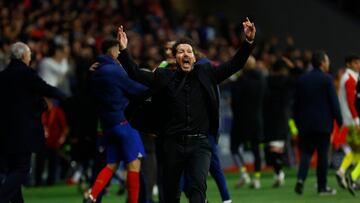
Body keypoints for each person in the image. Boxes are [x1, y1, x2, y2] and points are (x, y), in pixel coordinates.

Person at [117, 16, 256, 202]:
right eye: (181, 51)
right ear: (175, 57)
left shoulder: (206, 73)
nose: (185, 54)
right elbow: (134, 73)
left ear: (194, 57)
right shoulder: (164, 76)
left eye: (189, 51)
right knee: (171, 194)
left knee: (197, 189)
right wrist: (123, 49)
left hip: (200, 144)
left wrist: (248, 41)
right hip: (172, 144)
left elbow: (235, 64)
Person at [83, 39, 148, 203]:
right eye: (120, 52)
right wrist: (155, 87)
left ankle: (92, 195)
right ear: (113, 52)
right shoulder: (114, 70)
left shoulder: (95, 71)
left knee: (111, 164)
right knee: (134, 165)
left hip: (107, 125)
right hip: (124, 123)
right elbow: (135, 89)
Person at [0, 42, 66, 203]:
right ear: (23, 56)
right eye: (29, 54)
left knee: (13, 170)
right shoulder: (26, 73)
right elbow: (45, 89)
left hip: (4, 132)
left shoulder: (2, 76)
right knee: (22, 170)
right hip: (23, 131)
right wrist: (66, 98)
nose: (30, 58)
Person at [293, 51, 343, 195]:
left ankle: (300, 179)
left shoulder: (302, 79)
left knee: (306, 153)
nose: (328, 63)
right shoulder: (327, 79)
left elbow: (296, 105)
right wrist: (340, 122)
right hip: (323, 125)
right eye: (327, 61)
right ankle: (322, 187)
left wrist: (298, 123)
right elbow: (334, 103)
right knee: (322, 156)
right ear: (322, 62)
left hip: (305, 125)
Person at [230, 55, 266, 189]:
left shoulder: (241, 79)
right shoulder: (262, 78)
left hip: (241, 120)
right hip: (257, 119)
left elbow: (235, 100)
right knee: (257, 150)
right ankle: (257, 179)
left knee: (234, 147)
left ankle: (244, 173)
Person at [336, 54, 360, 192]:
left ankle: (341, 170)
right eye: (356, 63)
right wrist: (357, 120)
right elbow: (352, 102)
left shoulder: (346, 77)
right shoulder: (350, 79)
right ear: (348, 64)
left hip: (347, 121)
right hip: (353, 121)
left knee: (356, 152)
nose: (359, 65)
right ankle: (354, 176)